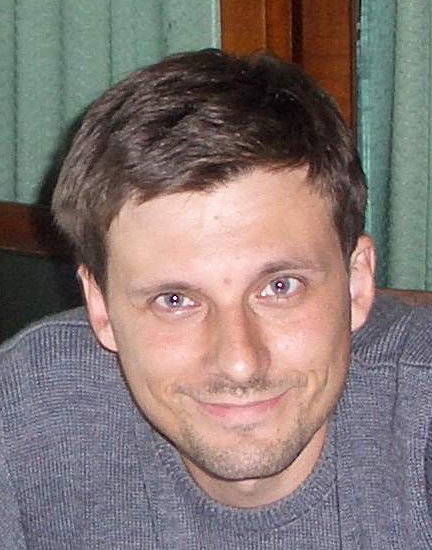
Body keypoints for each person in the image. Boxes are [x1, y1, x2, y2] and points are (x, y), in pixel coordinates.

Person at [0, 48, 431, 550]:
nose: (239, 363)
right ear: (101, 308)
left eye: (280, 287)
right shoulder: (28, 415)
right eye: (174, 300)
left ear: (357, 283)